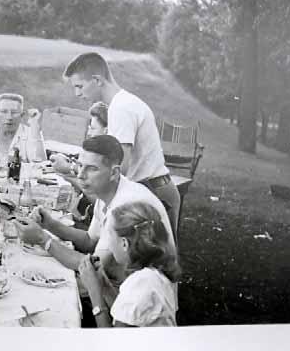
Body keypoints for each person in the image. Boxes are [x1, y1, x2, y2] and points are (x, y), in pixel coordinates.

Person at [13, 135, 174, 274]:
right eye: (80, 165)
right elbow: (90, 240)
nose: (81, 175)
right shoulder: (108, 190)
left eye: (91, 169)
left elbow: (95, 266)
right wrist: (50, 224)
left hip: (140, 299)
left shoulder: (124, 206)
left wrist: (43, 239)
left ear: (114, 173)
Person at [62, 52, 181, 239]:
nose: (77, 93)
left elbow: (118, 171)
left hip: (151, 191)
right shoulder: (122, 103)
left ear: (97, 80)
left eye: (79, 86)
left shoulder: (121, 109)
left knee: (149, 260)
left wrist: (71, 173)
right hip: (153, 186)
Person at [78, 202, 180, 327]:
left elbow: (112, 344)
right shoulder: (151, 274)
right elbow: (126, 315)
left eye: (110, 237)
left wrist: (94, 292)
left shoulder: (141, 284)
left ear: (124, 243)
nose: (109, 245)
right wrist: (104, 286)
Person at [52, 101, 109, 229]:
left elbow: (100, 201)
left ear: (106, 131)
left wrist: (69, 173)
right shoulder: (97, 152)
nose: (89, 132)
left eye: (93, 128)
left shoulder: (107, 161)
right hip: (84, 214)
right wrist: (68, 172)